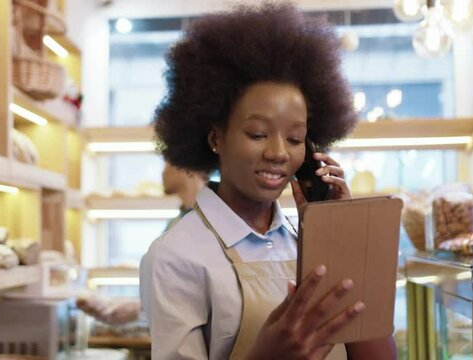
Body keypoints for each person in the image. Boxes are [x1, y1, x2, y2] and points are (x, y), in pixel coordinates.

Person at [140, 2, 397, 360]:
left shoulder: (306, 243)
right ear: (216, 137)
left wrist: (345, 233)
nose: (279, 153)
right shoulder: (177, 257)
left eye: (294, 139)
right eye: (258, 134)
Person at [77, 163, 207, 325]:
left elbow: (200, 296)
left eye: (168, 164)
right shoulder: (177, 222)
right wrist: (136, 307)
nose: (162, 173)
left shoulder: (210, 222)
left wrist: (139, 310)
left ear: (188, 166)